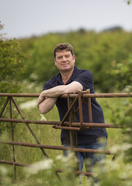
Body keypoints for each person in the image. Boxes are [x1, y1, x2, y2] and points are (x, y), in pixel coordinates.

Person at [37, 43, 108, 176]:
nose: (64, 59)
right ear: (55, 61)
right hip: (69, 138)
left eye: (67, 56)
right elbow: (43, 108)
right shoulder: (52, 82)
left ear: (73, 58)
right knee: (72, 182)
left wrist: (45, 93)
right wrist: (56, 91)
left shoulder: (85, 75)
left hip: (93, 136)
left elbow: (70, 89)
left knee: (97, 180)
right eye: (60, 57)